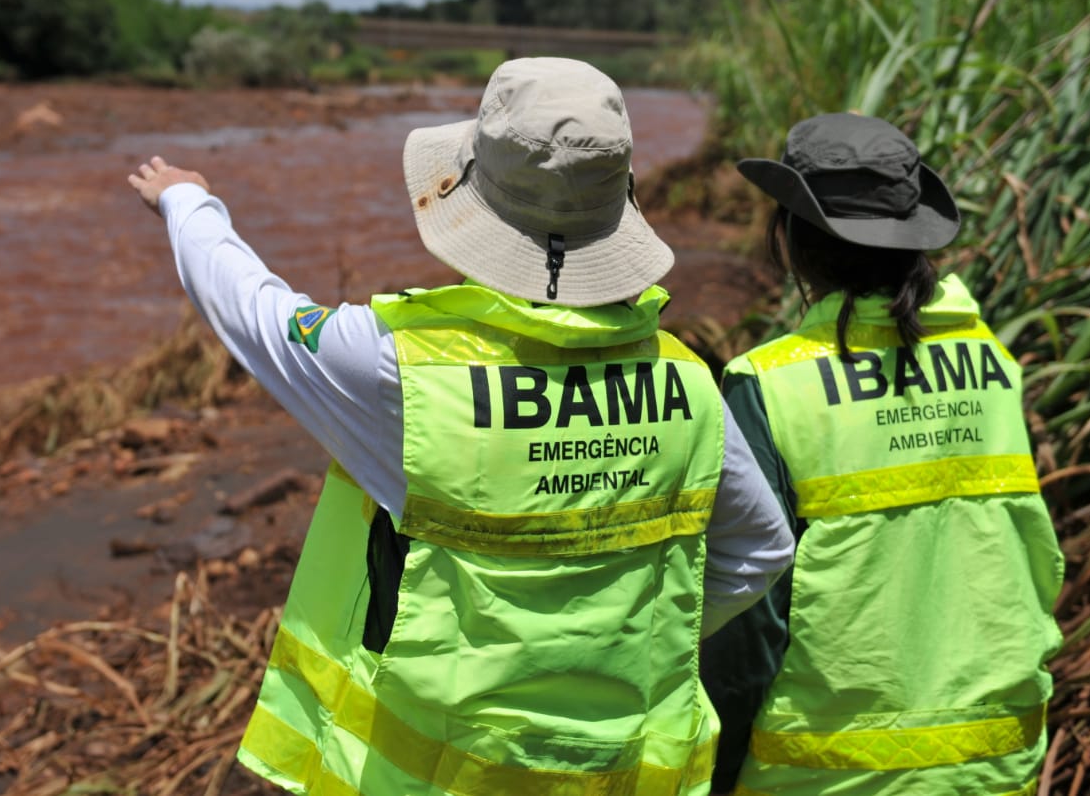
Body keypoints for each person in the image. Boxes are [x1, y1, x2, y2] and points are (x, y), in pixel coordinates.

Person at [127, 56, 794, 796]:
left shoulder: (400, 373)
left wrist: (187, 200)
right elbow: (760, 549)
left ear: (472, 197)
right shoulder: (687, 383)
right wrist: (622, 647)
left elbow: (254, 313)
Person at [700, 112, 1065, 796]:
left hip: (825, 773)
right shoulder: (992, 362)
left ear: (792, 240)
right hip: (996, 758)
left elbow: (752, 611)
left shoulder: (769, 384)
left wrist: (718, 764)